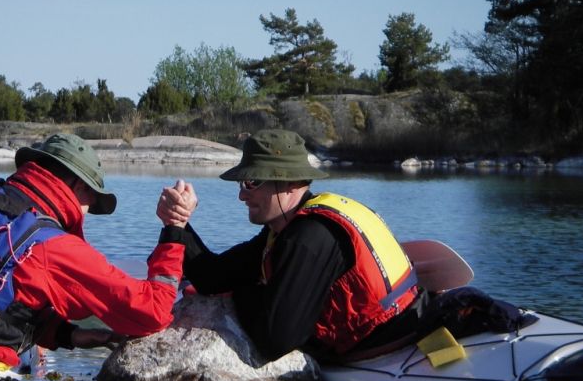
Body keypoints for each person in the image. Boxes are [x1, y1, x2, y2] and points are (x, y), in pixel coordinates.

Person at [0, 133, 187, 368]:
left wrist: (65, 335)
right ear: (77, 187)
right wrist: (174, 228)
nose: (85, 213)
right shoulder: (57, 246)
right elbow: (153, 313)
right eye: (91, 204)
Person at [156, 129, 426, 362]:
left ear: (290, 183)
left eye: (253, 182)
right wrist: (177, 224)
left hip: (391, 340)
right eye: (242, 183)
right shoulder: (283, 230)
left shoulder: (309, 237)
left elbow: (275, 341)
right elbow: (212, 277)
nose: (241, 195)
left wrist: (242, 294)